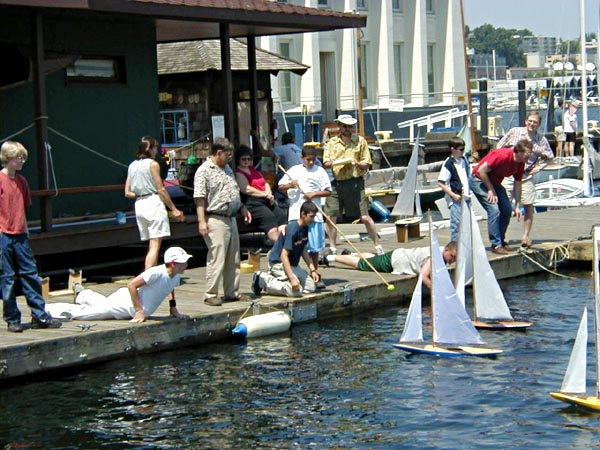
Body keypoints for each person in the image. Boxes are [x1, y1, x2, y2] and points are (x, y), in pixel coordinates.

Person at [0, 141, 62, 332]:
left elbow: (21, 209)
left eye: (22, 158)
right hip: (3, 235)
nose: (21, 161)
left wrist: (25, 232)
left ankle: (39, 315)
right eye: (18, 158)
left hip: (20, 235)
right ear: (8, 158)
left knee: (31, 275)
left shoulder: (21, 181)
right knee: (8, 278)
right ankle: (12, 319)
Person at [45, 247, 192, 322]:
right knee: (86, 314)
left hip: (125, 306)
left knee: (102, 304)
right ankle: (47, 309)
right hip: (124, 305)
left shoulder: (176, 275)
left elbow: (170, 288)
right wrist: (139, 311)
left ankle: (82, 294)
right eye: (183, 262)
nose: (186, 264)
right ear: (173, 264)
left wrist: (173, 308)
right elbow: (132, 285)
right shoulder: (156, 273)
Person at [194, 138, 252, 306]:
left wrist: (242, 208)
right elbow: (199, 198)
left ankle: (231, 291)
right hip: (216, 217)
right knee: (217, 257)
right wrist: (201, 221)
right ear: (218, 153)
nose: (229, 158)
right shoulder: (204, 171)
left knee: (234, 257)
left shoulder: (227, 168)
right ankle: (210, 294)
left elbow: (233, 191)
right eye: (227, 155)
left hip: (231, 217)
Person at [323, 114, 382, 255]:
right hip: (337, 183)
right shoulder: (331, 143)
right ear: (339, 126)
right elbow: (326, 163)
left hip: (355, 182)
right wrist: (335, 162)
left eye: (350, 126)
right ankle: (332, 247)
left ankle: (377, 245)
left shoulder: (360, 141)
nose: (347, 129)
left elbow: (367, 163)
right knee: (331, 216)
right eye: (344, 126)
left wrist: (356, 164)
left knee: (365, 217)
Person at [124, 136, 185, 270]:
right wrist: (174, 209)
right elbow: (161, 189)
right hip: (153, 203)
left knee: (152, 245)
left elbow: (127, 192)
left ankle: (149, 274)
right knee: (155, 244)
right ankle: (148, 277)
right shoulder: (153, 164)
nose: (156, 151)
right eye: (155, 148)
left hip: (139, 204)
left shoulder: (132, 166)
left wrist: (140, 193)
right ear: (148, 148)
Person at [496, 111, 554, 248]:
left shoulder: (541, 140)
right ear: (526, 121)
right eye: (530, 121)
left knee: (528, 205)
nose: (532, 124)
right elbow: (499, 146)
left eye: (535, 122)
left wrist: (539, 168)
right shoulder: (514, 132)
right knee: (503, 206)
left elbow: (550, 157)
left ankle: (526, 236)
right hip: (509, 174)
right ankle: (501, 237)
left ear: (539, 124)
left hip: (526, 175)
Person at [278, 146, 331, 287]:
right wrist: (290, 185)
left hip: (314, 216)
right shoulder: (294, 170)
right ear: (302, 158)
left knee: (314, 249)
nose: (311, 162)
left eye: (313, 160)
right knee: (292, 247)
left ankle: (315, 275)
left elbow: (328, 191)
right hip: (296, 215)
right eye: (308, 160)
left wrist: (313, 194)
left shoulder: (320, 171)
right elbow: (280, 186)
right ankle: (290, 274)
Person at [469, 139, 532, 254]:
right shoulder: (502, 156)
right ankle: (496, 244)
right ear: (519, 152)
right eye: (528, 153)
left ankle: (501, 240)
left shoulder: (520, 163)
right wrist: (490, 189)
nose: (530, 155)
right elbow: (482, 170)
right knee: (494, 210)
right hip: (478, 180)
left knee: (507, 210)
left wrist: (518, 205)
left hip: (494, 182)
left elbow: (517, 184)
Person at [252, 201, 320, 297]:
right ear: (303, 214)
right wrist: (292, 278)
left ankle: (288, 279)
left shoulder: (305, 228)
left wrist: (312, 270)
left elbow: (303, 249)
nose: (313, 220)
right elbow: (283, 256)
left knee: (310, 287)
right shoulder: (293, 230)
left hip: (292, 264)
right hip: (278, 262)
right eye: (311, 216)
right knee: (295, 291)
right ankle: (263, 280)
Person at [323, 242, 457, 290]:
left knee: (373, 259)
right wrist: (435, 290)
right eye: (452, 256)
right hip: (395, 261)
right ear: (446, 250)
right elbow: (423, 275)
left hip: (400, 256)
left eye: (455, 258)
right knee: (363, 264)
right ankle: (329, 258)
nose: (452, 260)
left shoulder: (441, 252)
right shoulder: (435, 257)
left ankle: (351, 254)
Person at [235, 145, 287, 243]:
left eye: (248, 159)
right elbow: (246, 189)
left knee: (280, 215)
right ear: (238, 160)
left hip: (266, 199)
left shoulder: (253, 170)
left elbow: (265, 183)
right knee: (269, 217)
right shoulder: (238, 173)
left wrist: (269, 193)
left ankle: (285, 241)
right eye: (243, 159)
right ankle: (278, 243)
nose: (246, 161)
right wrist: (264, 194)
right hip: (252, 202)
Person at [437, 136, 470, 242]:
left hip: (466, 196)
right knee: (456, 225)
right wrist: (453, 195)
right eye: (460, 149)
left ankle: (465, 246)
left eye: (463, 149)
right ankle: (455, 246)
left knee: (466, 225)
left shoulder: (464, 160)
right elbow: (441, 183)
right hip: (456, 198)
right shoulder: (448, 163)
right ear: (453, 149)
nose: (462, 151)